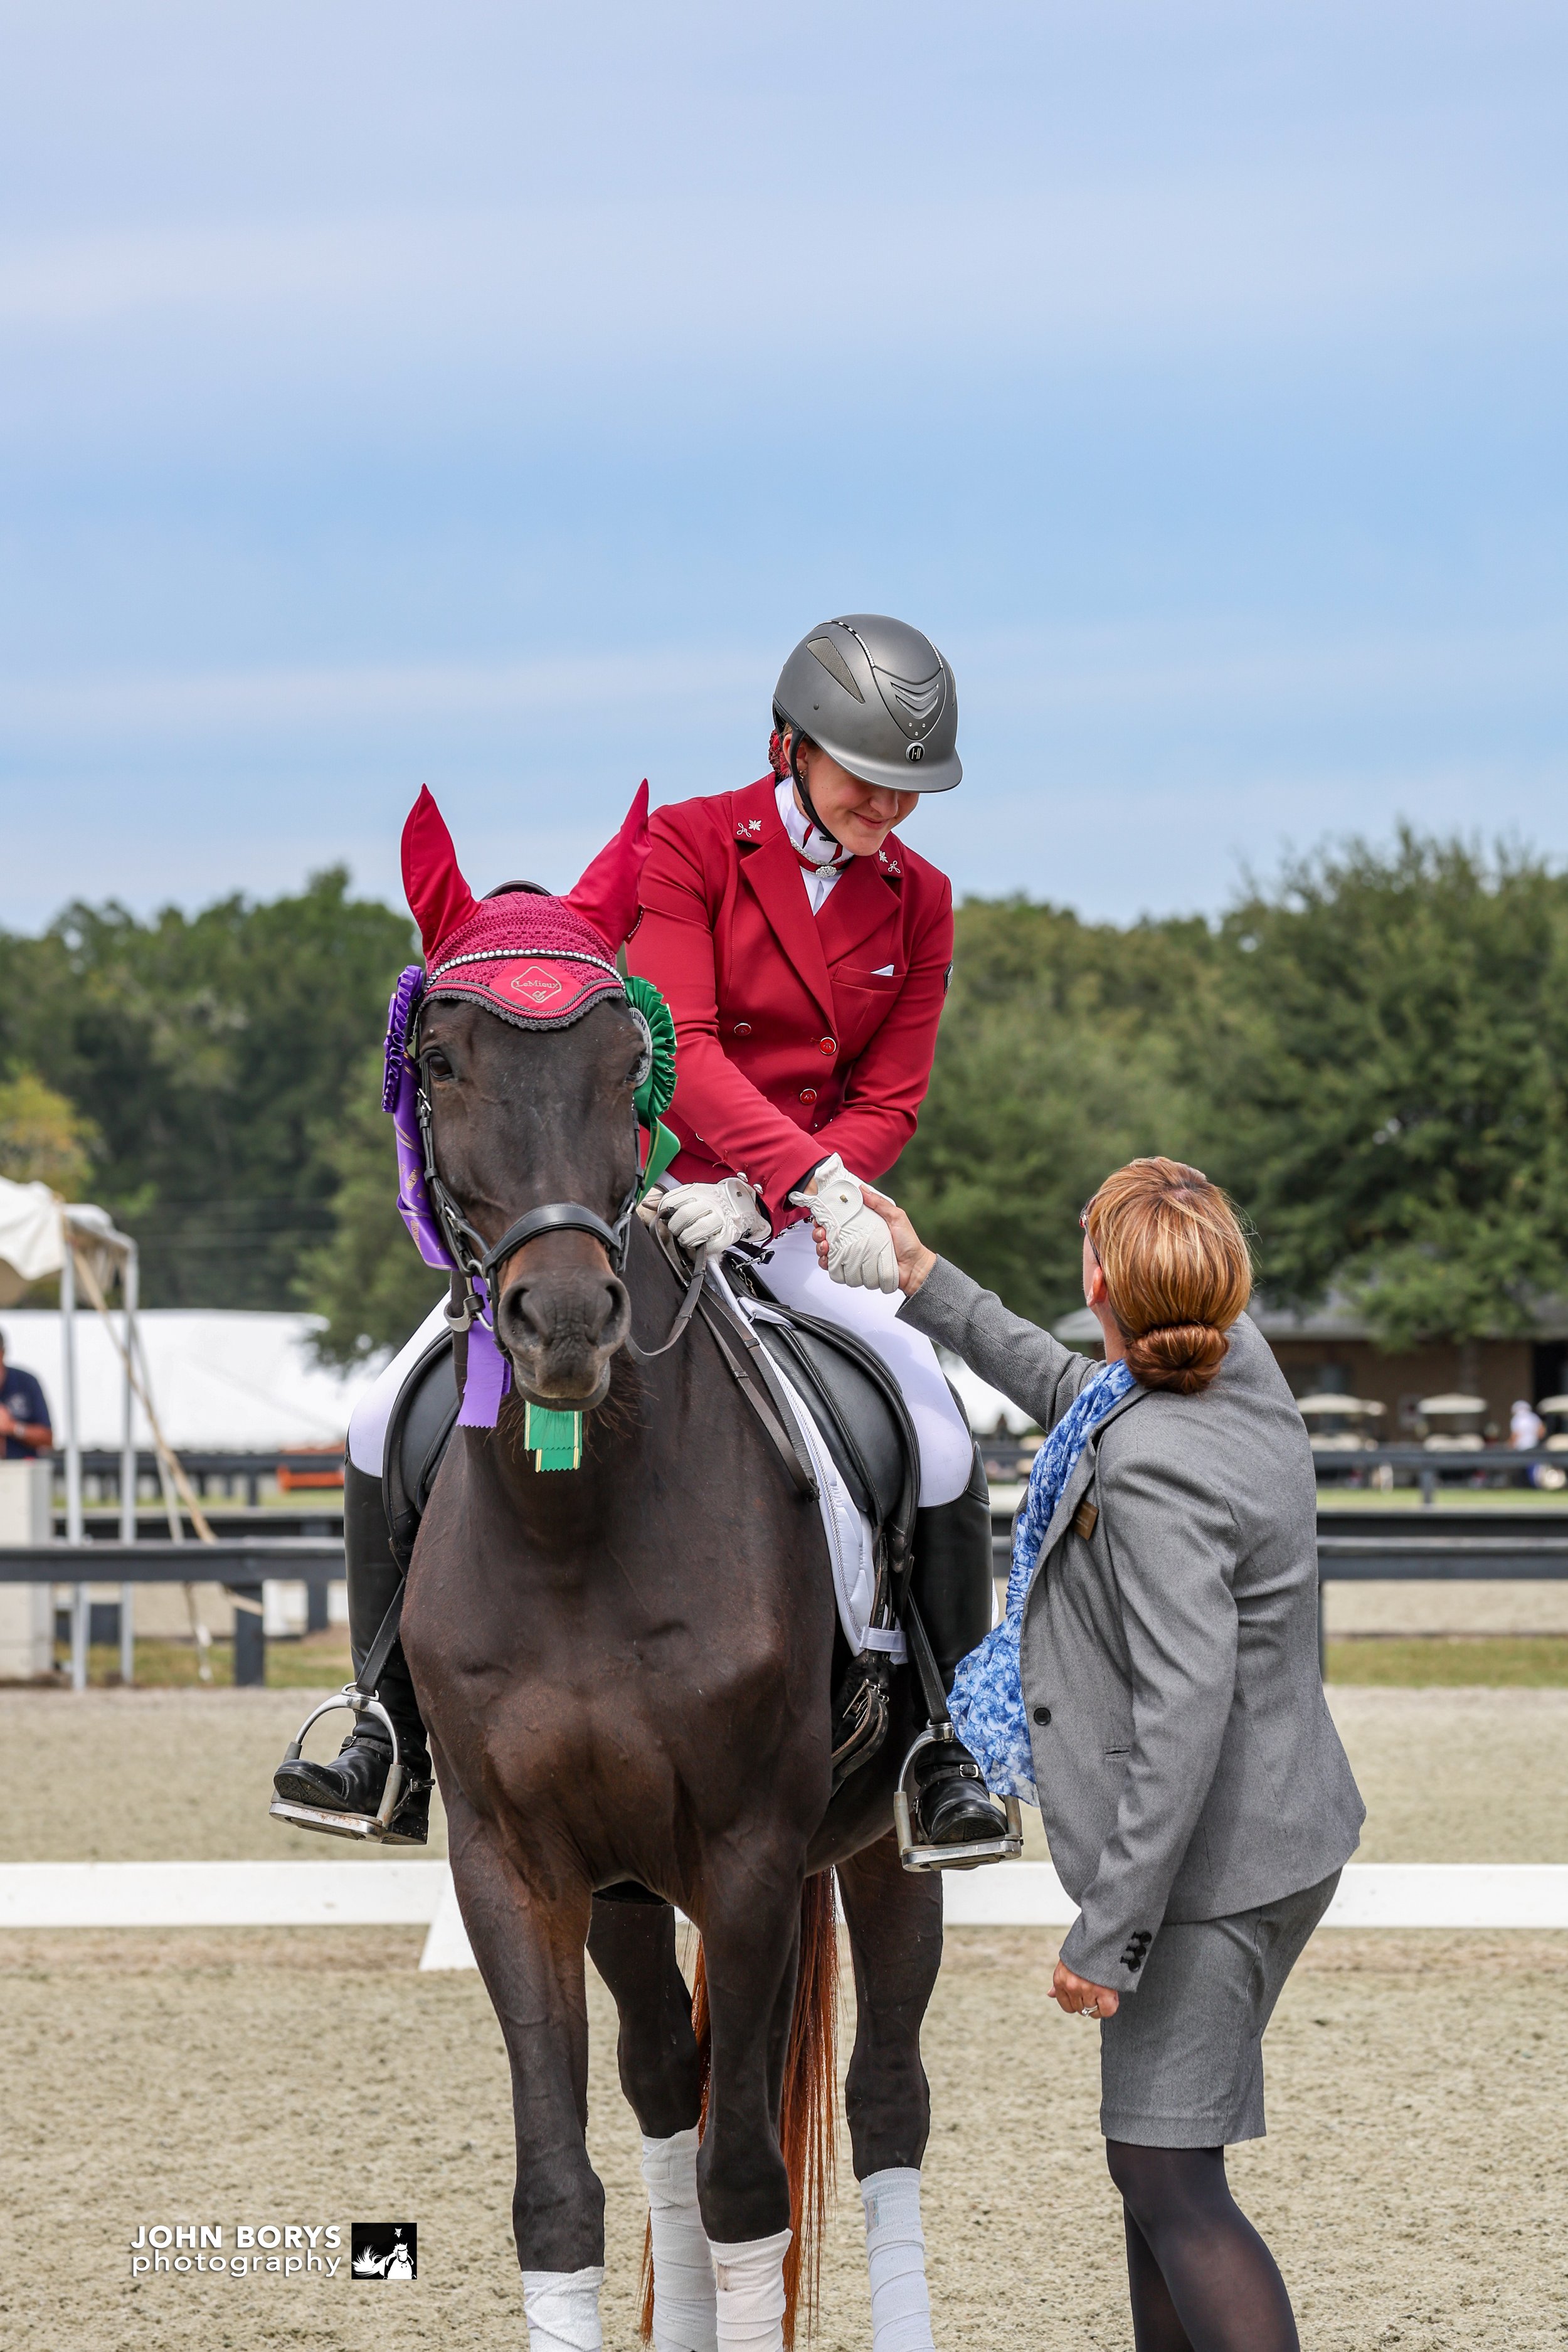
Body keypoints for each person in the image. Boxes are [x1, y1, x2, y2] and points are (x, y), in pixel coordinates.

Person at [275, 614, 1006, 1854]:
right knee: (377, 1413)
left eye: (908, 787)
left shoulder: (918, 900)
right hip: (641, 1208)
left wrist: (797, 1200)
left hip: (793, 1230)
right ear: (790, 747)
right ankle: (382, 1722)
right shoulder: (687, 847)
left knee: (928, 1418)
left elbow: (892, 1096)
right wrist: (768, 1171)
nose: (888, 804)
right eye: (864, 775)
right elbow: (687, 1045)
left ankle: (949, 1741)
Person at [857, 1156, 1365, 2352]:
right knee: (1157, 2172)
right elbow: (1075, 1382)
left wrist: (1111, 1932)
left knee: (1169, 2178)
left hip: (1207, 1876)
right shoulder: (1237, 1368)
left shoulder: (1154, 1469)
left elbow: (1185, 1713)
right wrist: (924, 1277)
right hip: (1282, 1833)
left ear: (1100, 1277)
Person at [0, 1329, 52, 1459]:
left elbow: (47, 1438)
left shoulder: (26, 1383)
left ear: (2, 1353)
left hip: (21, 1472)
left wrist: (13, 1427)